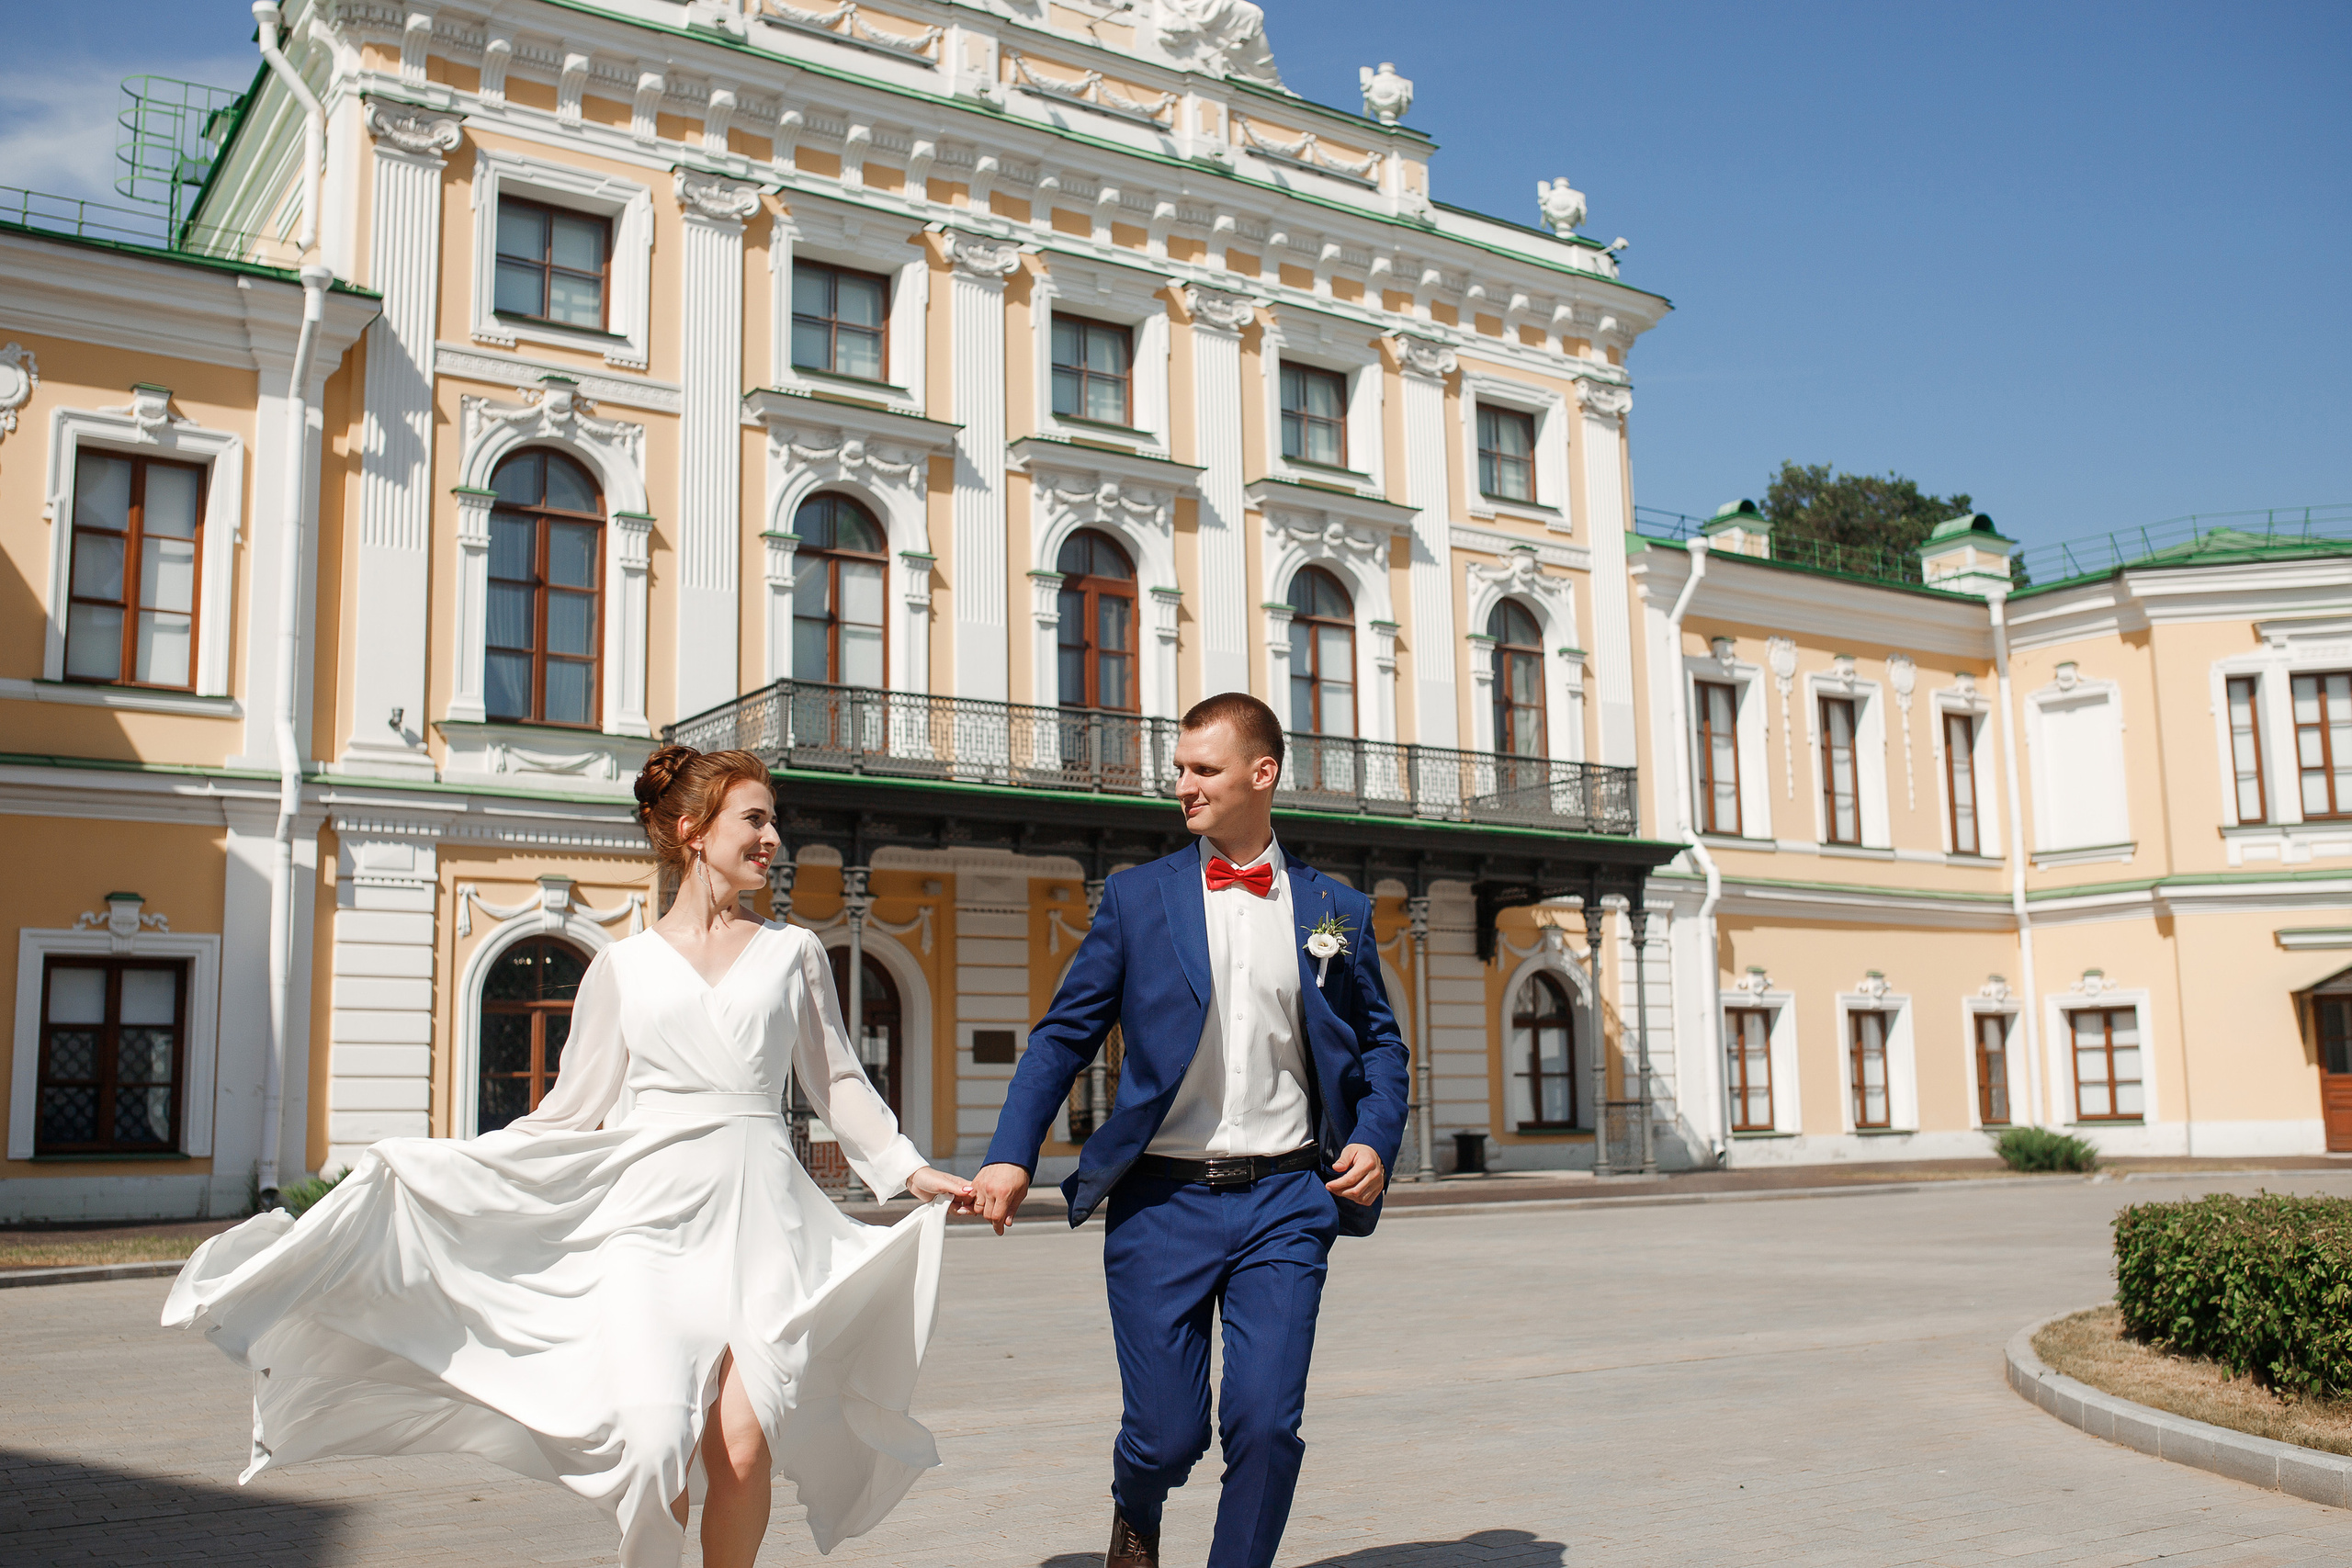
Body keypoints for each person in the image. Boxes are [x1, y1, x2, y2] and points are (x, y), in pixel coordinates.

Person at [163, 746, 977, 1568]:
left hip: (768, 1228)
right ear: (694, 830)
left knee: (743, 1443)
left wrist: (908, 1168)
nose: (773, 837)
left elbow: (837, 1077)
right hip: (650, 1229)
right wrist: (442, 1166)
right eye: (755, 819)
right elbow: (571, 1111)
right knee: (656, 1443)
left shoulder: (793, 952)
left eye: (774, 821)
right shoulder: (624, 967)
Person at [971, 692, 1410, 1568]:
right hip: (1160, 1202)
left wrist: (1374, 1136)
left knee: (1266, 1422)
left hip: (1289, 1197)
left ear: (1263, 773)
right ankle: (1136, 1505)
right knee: (1168, 1436)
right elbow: (1065, 1034)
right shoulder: (1139, 899)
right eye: (1179, 768)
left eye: (1201, 768)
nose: (1182, 785)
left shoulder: (1335, 911)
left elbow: (1382, 1045)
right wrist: (1011, 1154)